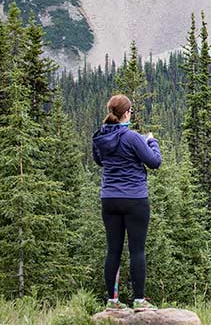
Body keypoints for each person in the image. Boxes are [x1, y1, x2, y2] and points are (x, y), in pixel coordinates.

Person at [92, 94, 162, 311]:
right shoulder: (133, 138)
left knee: (113, 250)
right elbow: (154, 162)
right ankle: (139, 301)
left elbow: (98, 160)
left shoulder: (100, 137)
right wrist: (152, 141)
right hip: (134, 199)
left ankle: (112, 301)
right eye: (131, 111)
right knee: (137, 251)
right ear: (126, 113)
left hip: (109, 199)